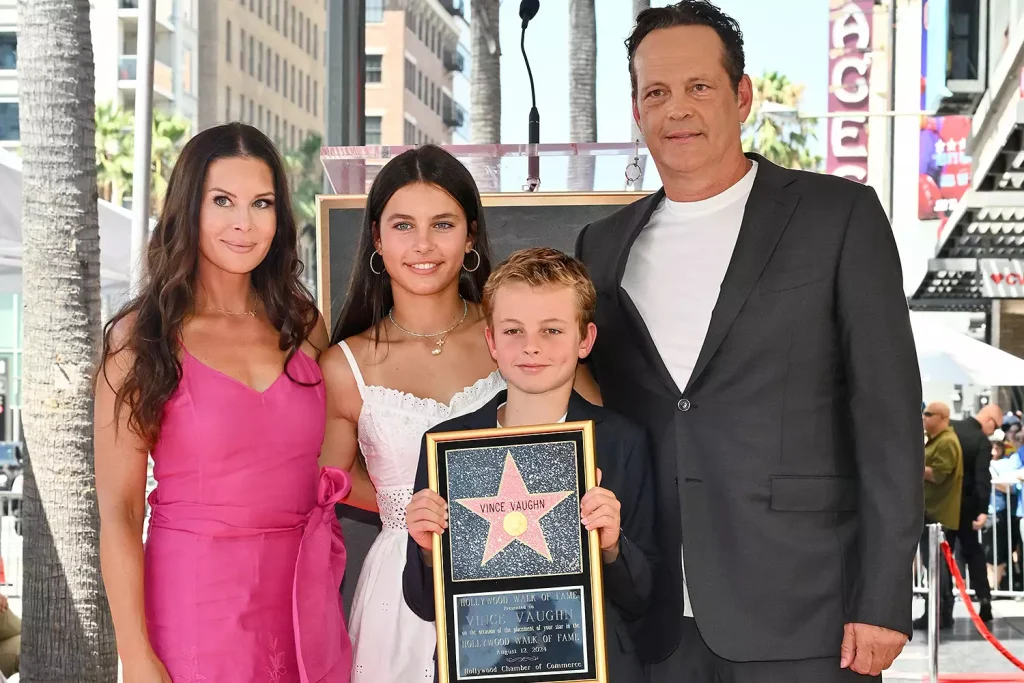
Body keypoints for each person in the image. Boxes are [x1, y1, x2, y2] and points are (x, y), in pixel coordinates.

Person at [573, 2, 924, 681]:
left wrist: (883, 596)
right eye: (657, 92)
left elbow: (886, 415)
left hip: (808, 609)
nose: (678, 109)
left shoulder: (839, 215)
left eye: (699, 87)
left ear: (742, 95)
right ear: (638, 111)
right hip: (649, 618)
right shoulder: (602, 245)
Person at [95, 123, 351, 683]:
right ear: (189, 208)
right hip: (194, 601)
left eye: (261, 203)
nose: (244, 222)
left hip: (301, 598)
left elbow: (342, 453)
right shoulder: (143, 336)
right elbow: (119, 511)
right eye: (222, 201)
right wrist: (136, 657)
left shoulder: (304, 326)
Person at [403, 247, 658, 681]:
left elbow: (642, 597)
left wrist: (612, 545)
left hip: (595, 667)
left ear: (585, 340)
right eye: (514, 330)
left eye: (552, 330)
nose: (532, 347)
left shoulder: (620, 442)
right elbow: (425, 604)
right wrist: (428, 551)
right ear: (492, 342)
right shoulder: (448, 447)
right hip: (483, 664)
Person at [318, 145, 508, 682]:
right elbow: (328, 476)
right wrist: (403, 504)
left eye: (442, 224)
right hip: (401, 590)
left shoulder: (513, 330)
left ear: (470, 234)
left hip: (518, 567)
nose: (423, 245)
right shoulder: (345, 364)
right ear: (377, 237)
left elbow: (589, 427)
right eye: (403, 225)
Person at [948, 404, 1002, 623]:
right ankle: (984, 600)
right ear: (989, 419)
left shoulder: (950, 427)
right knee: (973, 553)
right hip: (967, 507)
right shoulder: (980, 441)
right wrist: (981, 510)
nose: (993, 431)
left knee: (942, 555)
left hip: (942, 505)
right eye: (995, 426)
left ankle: (941, 605)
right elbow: (982, 479)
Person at [917, 402, 963, 630]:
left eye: (928, 414)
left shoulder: (945, 442)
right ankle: (936, 612)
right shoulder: (938, 441)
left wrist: (913, 466)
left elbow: (939, 475)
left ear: (942, 417)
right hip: (933, 514)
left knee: (938, 569)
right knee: (934, 567)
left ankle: (940, 613)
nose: (924, 418)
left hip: (938, 516)